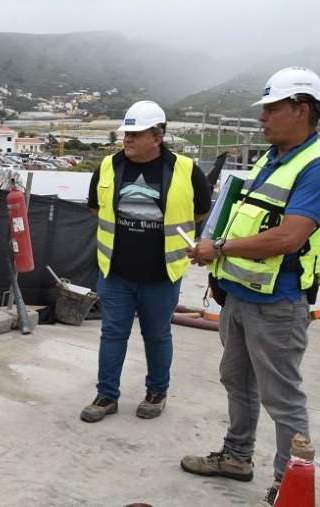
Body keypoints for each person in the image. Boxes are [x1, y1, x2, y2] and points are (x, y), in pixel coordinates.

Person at [181, 67, 320, 505]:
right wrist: (219, 266)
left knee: (282, 397)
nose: (263, 118)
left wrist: (218, 248)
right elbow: (247, 217)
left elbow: (289, 237)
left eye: (272, 109)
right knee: (236, 379)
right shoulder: (271, 159)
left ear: (302, 109)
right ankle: (237, 457)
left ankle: (289, 485)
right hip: (239, 294)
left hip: (280, 302)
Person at [82, 100, 211, 423]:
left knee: (157, 335)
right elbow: (97, 208)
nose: (128, 139)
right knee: (112, 334)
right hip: (116, 272)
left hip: (162, 274)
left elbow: (200, 211)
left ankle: (157, 392)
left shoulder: (185, 169)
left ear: (158, 135)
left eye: (136, 134)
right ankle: (106, 395)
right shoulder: (109, 167)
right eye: (127, 133)